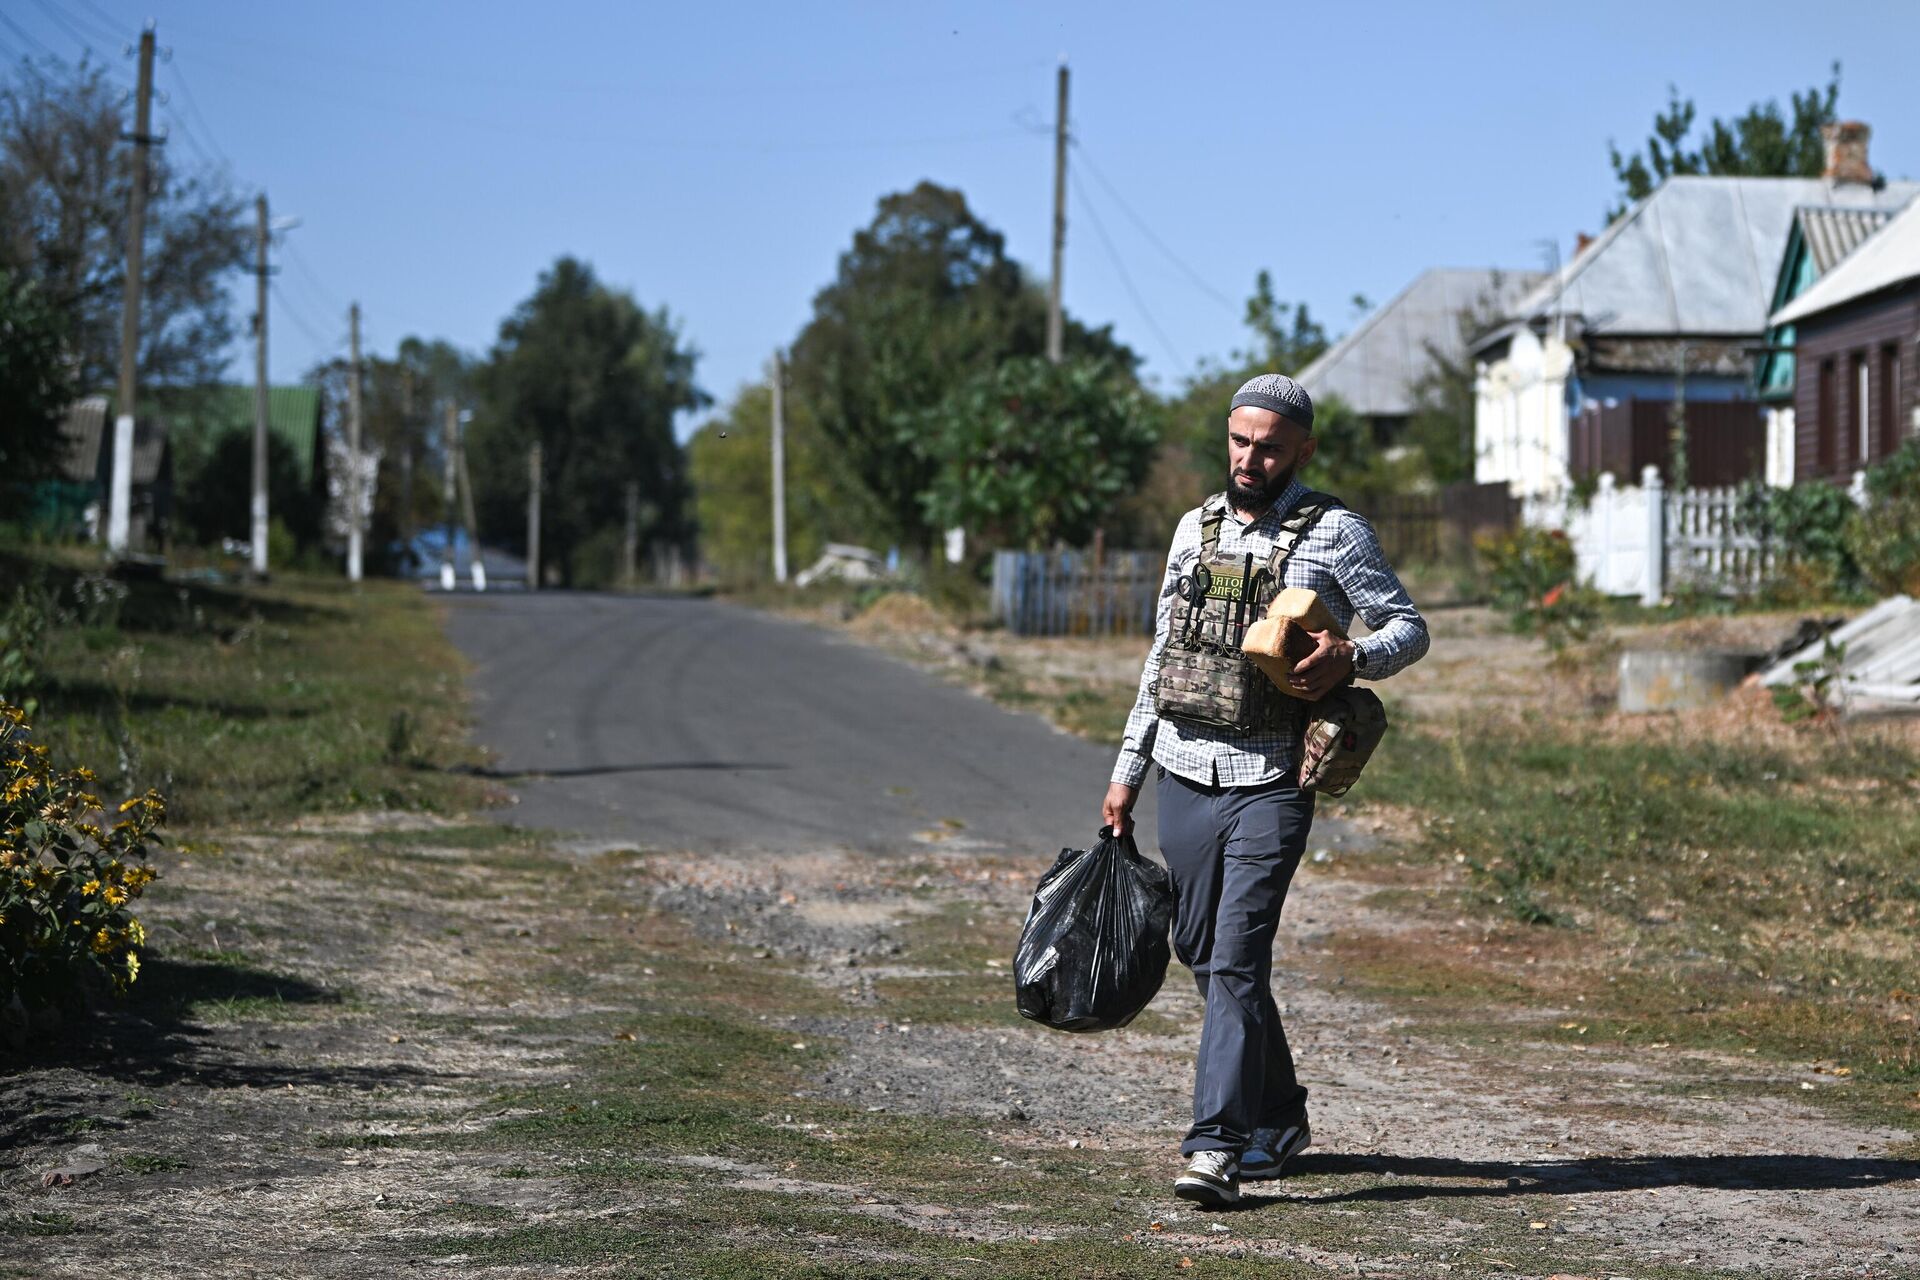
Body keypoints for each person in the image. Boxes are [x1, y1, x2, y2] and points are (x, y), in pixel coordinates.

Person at [1102, 373, 1429, 1208]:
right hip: (1183, 766)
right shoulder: (1193, 529)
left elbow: (1407, 626)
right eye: (1240, 442)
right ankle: (1280, 1116)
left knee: (1240, 957)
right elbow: (1161, 655)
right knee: (1204, 953)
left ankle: (1217, 1145)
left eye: (1271, 446)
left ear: (1303, 450)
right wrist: (1126, 772)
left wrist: (1353, 657)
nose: (1252, 458)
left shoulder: (1337, 531)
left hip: (1272, 779)